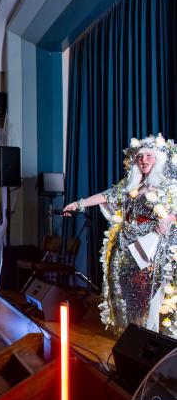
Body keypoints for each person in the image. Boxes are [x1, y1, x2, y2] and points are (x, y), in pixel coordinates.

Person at [63, 134, 177, 337]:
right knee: (128, 296)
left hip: (151, 251)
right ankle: (132, 336)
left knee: (149, 295)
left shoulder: (168, 187)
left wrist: (168, 219)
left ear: (158, 159)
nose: (144, 161)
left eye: (149, 156)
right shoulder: (131, 186)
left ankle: (148, 338)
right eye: (140, 157)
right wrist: (78, 204)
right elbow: (107, 195)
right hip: (125, 250)